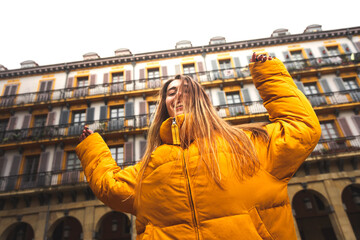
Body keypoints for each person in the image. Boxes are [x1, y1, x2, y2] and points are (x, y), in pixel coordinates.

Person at [76, 53, 321, 239]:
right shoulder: (150, 167)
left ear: (201, 99)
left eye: (186, 90)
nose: (178, 95)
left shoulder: (247, 144)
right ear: (165, 104)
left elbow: (302, 128)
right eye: (171, 92)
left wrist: (268, 73)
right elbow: (111, 187)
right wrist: (92, 148)